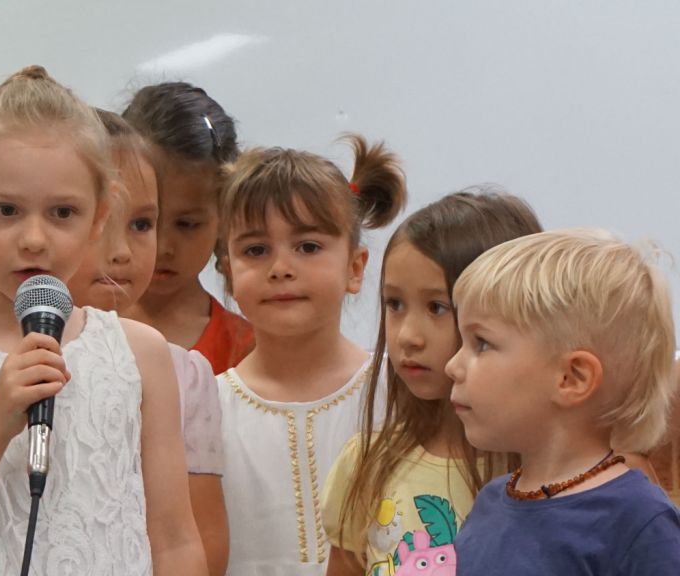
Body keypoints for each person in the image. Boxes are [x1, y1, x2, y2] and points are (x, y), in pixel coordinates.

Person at [0, 66, 207, 575]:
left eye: (62, 213)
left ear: (99, 217)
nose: (34, 239)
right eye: (6, 211)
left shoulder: (140, 353)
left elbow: (176, 540)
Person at [321, 190, 542, 576]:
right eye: (394, 304)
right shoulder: (367, 463)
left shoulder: (552, 474)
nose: (407, 336)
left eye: (437, 307)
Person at [215, 138, 406, 574]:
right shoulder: (207, 406)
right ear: (228, 272)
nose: (280, 268)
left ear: (355, 268)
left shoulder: (398, 391)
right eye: (256, 250)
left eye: (308, 247)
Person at [447, 229, 680, 574]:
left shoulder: (639, 522)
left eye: (481, 343)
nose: (452, 366)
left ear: (572, 378)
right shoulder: (491, 501)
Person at [66, 108, 229, 575]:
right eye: (99, 222)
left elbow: (202, 539)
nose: (121, 251)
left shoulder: (183, 374)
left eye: (141, 224)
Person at [122, 82, 253, 374]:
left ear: (225, 215)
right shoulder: (70, 326)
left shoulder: (247, 352)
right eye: (141, 223)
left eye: (187, 224)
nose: (162, 246)